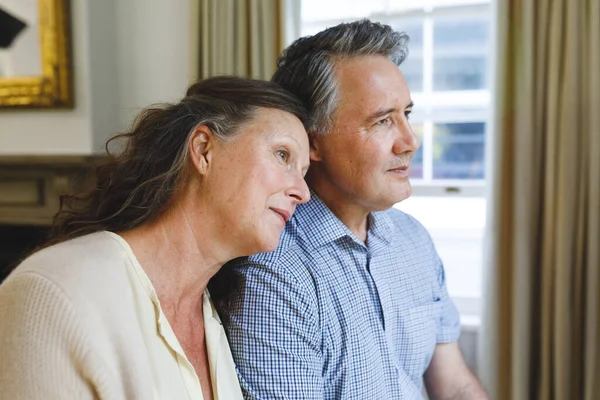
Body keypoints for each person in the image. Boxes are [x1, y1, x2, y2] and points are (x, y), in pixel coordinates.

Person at [212, 20, 488, 399]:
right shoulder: (272, 274)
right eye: (383, 121)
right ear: (312, 142)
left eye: (407, 114)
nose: (410, 142)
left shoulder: (414, 241)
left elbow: (455, 386)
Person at [0, 76, 311, 400]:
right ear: (204, 150)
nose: (302, 192)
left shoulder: (215, 320)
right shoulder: (53, 291)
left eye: (303, 173)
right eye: (282, 155)